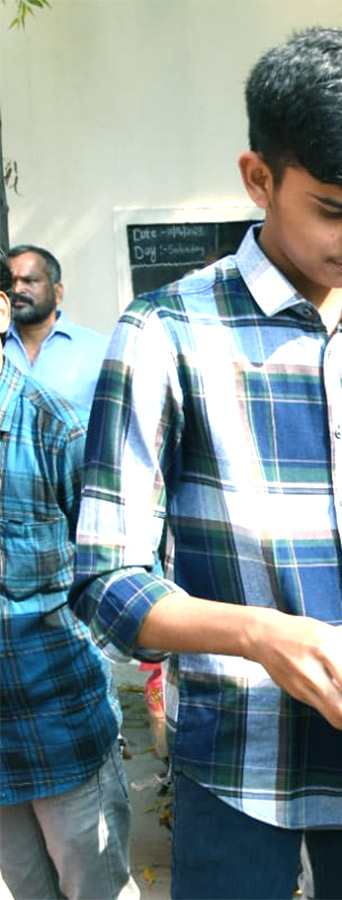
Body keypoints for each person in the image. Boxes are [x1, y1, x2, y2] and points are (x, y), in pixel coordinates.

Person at [69, 28, 342, 900]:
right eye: (335, 209)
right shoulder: (167, 336)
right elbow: (107, 580)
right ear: (258, 177)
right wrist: (266, 640)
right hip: (237, 763)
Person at [0, 250, 138, 900]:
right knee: (26, 888)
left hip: (56, 716)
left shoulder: (54, 428)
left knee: (93, 886)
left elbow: (115, 567)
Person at [3, 244, 109, 421]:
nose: (17, 290)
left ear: (57, 292)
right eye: (11, 282)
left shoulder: (99, 350)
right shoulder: (2, 347)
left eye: (29, 281)